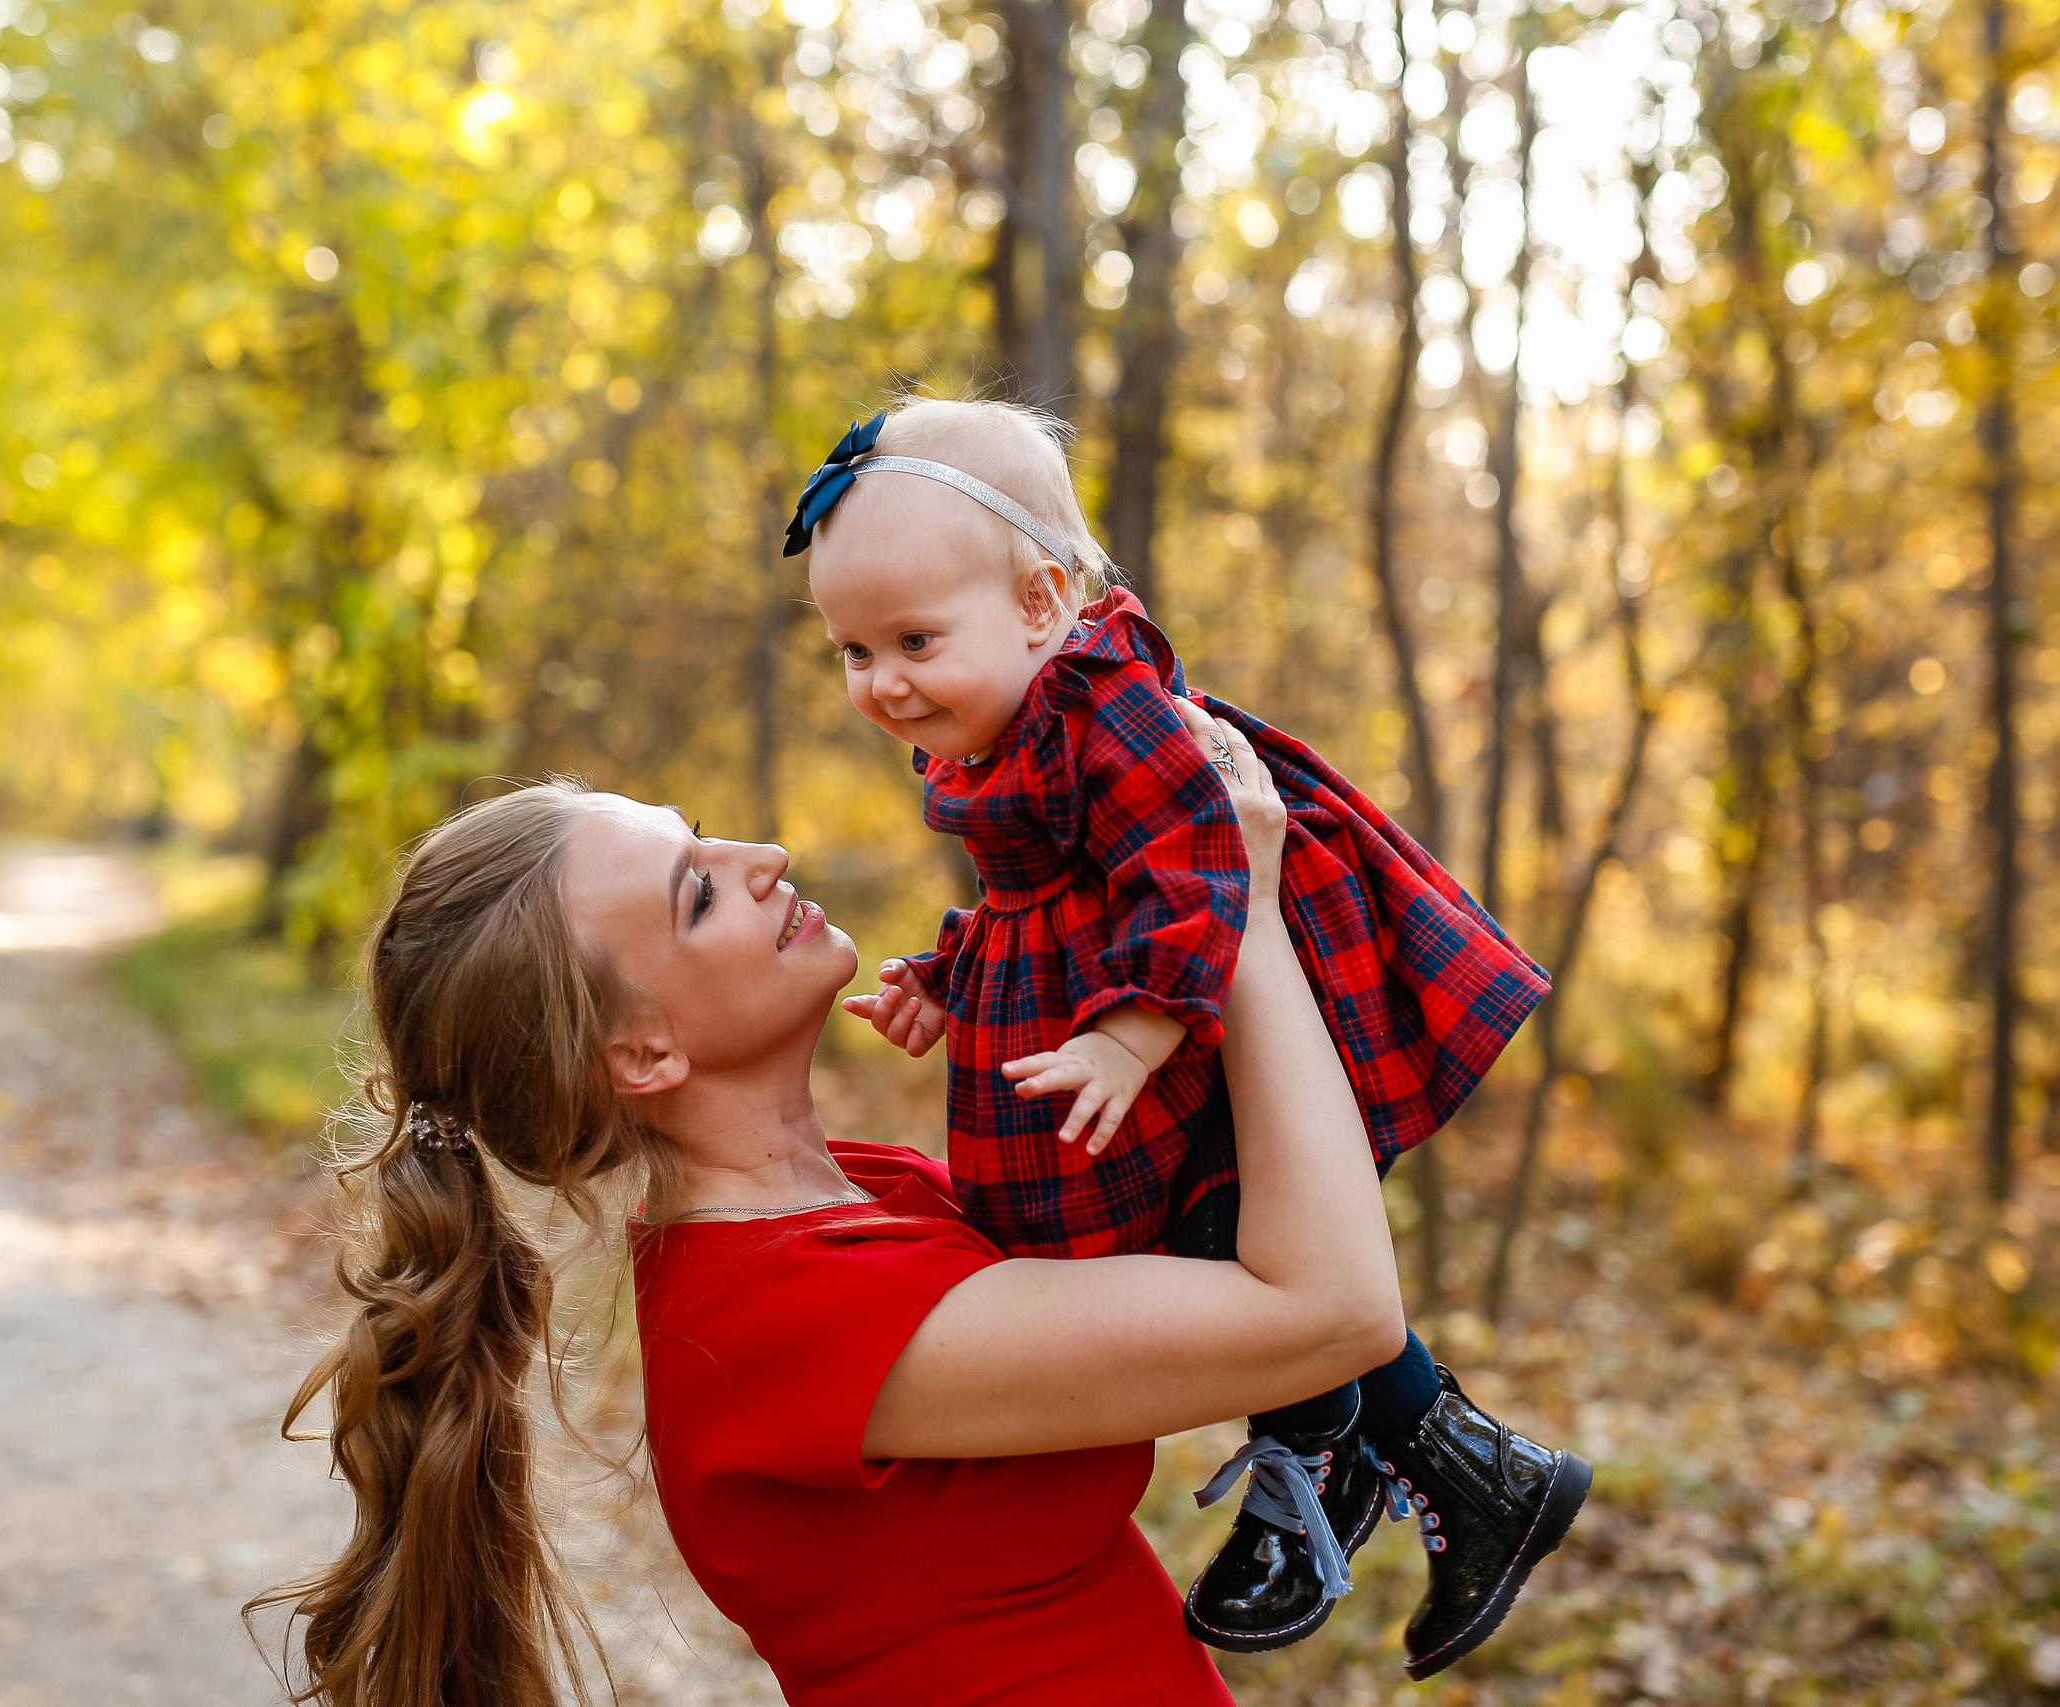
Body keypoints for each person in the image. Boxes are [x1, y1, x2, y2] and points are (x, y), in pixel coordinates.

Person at [252, 712, 1467, 1707]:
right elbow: (1333, 1309)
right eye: (697, 894)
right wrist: (1234, 916)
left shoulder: (871, 1189)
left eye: (704, 840)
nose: (762, 858)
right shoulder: (780, 1321)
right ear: (641, 1057)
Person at [795, 396, 1587, 1671]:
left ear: (1043, 602)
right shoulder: (995, 713)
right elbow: (1045, 886)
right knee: (1208, 1231)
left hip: (1222, 975)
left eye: (912, 639)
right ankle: (1472, 1473)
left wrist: (1131, 1034)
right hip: (1148, 982)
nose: (881, 683)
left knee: (1226, 1229)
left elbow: (1189, 862)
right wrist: (949, 974)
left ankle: (1322, 1451)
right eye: (851, 651)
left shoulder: (1108, 706)